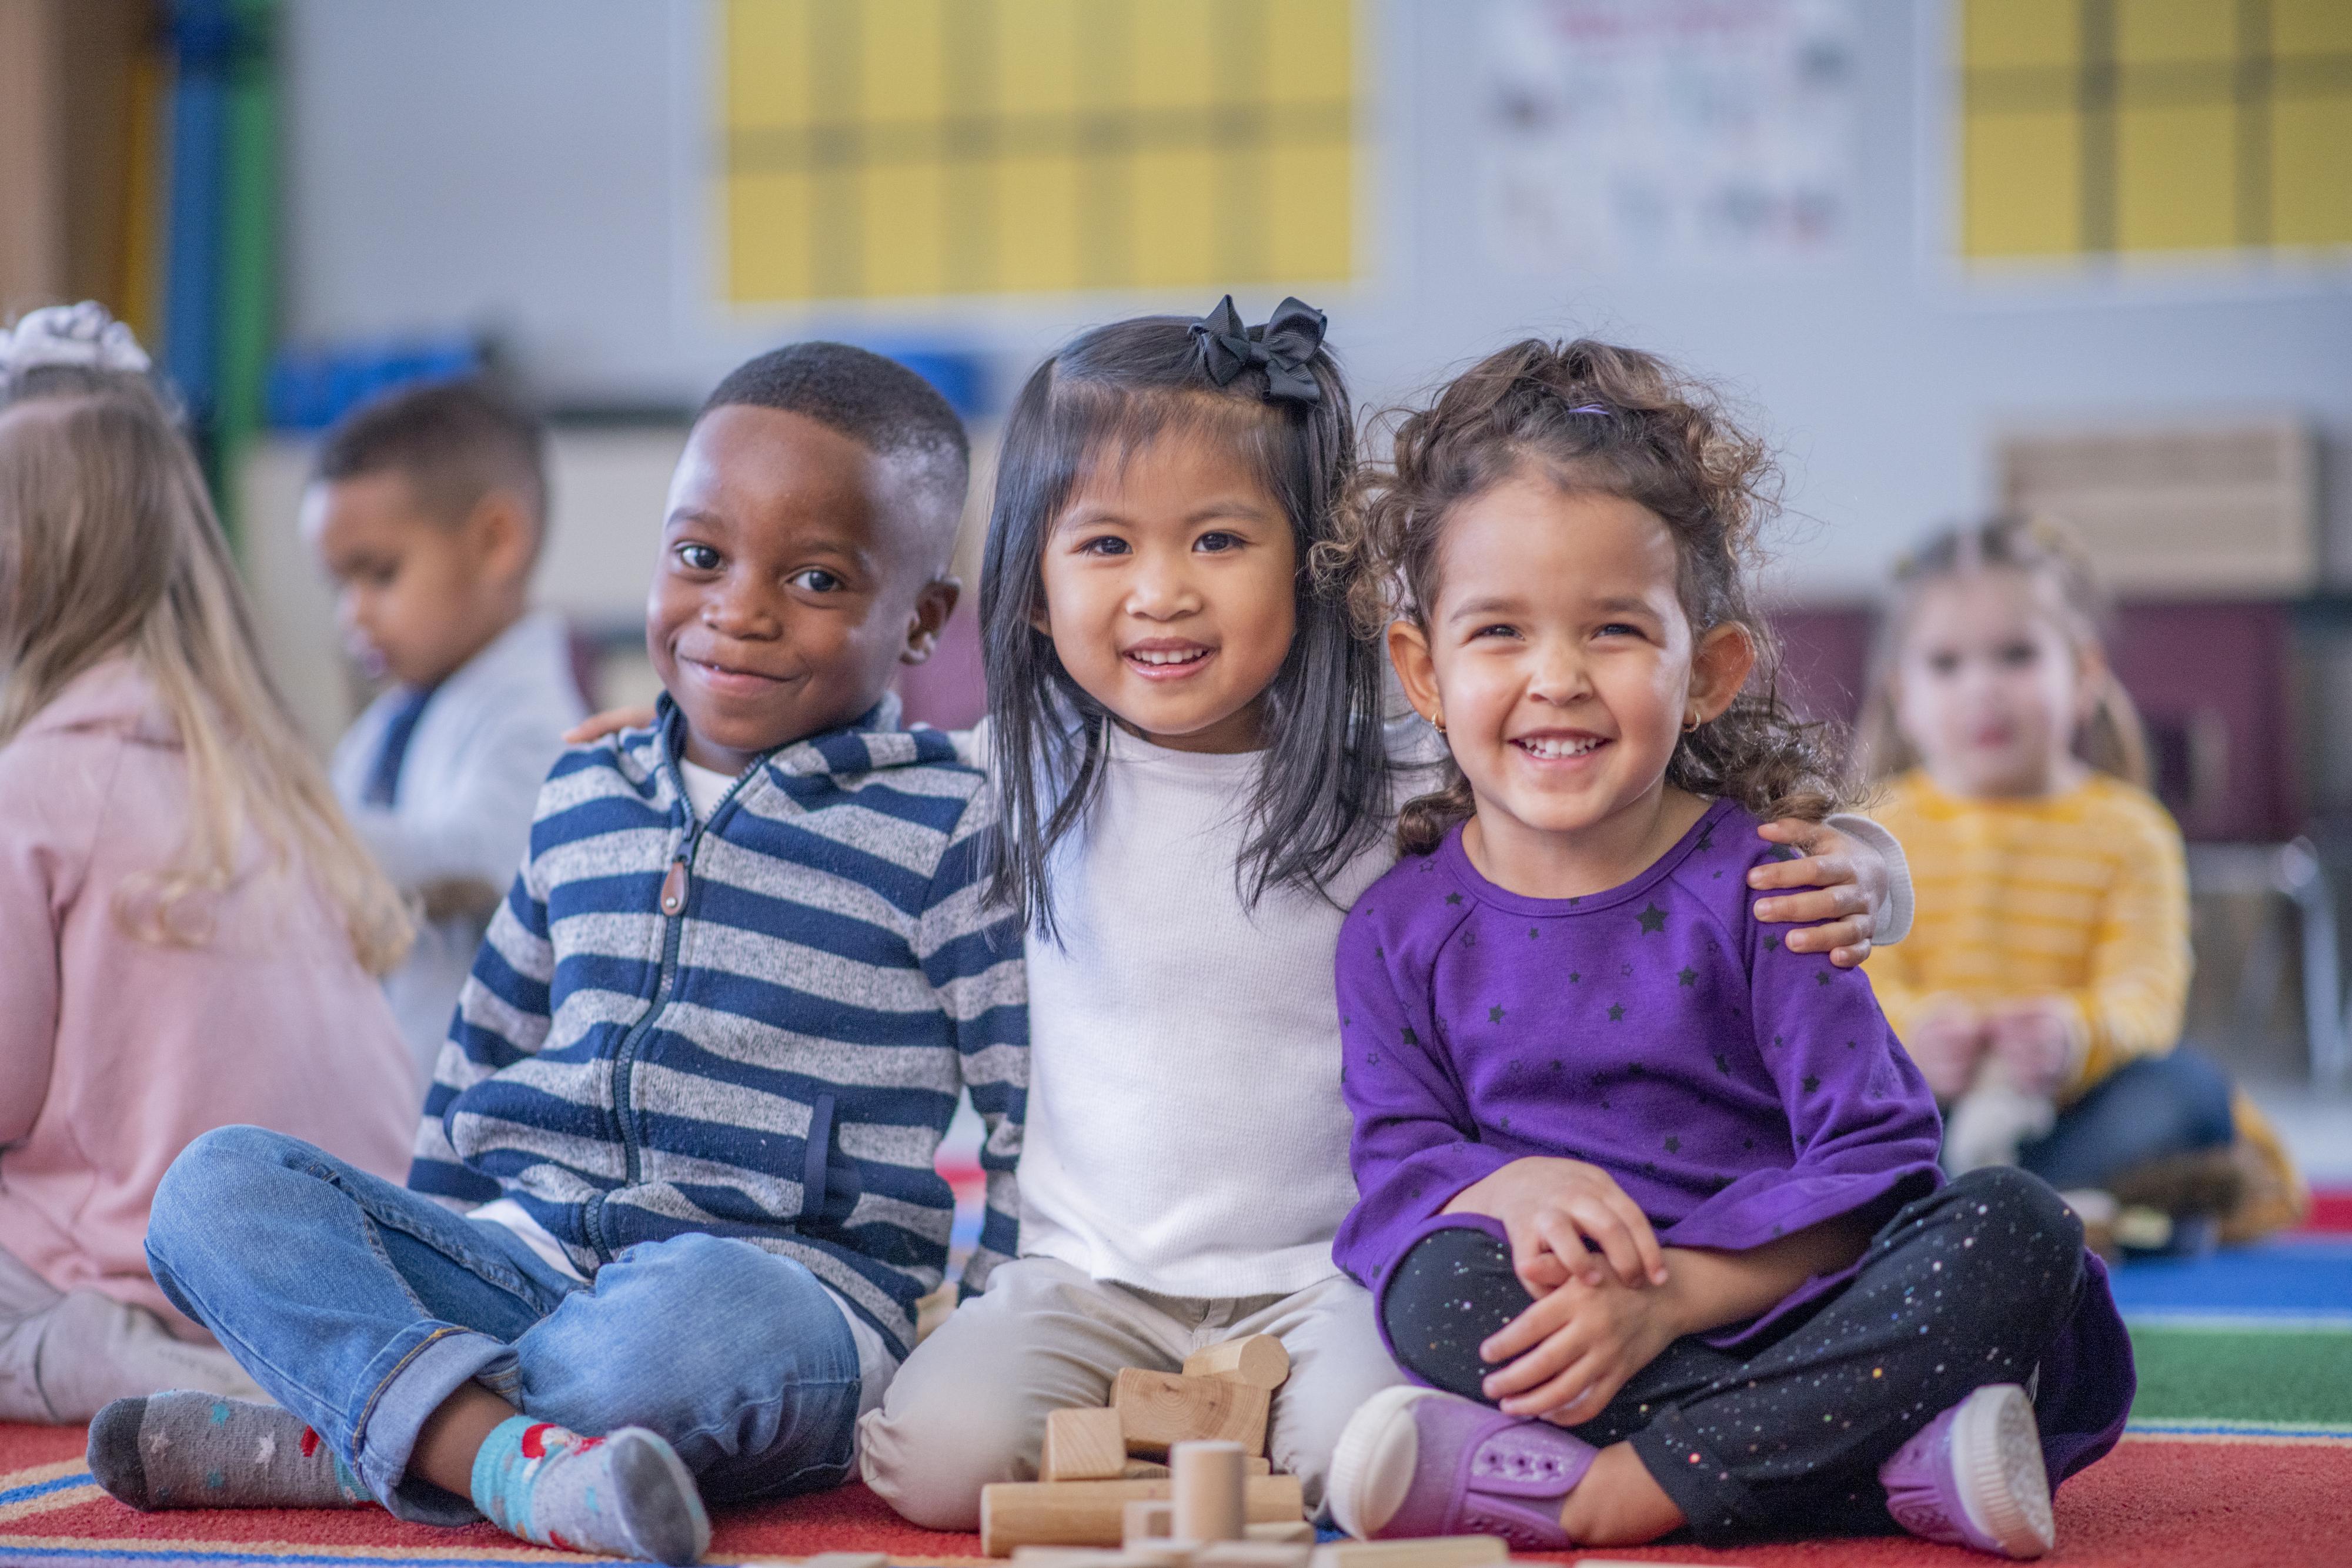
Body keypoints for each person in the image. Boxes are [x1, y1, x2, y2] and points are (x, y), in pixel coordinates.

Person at [854, 299, 1916, 1527]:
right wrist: (687, 749)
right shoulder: (1020, 769)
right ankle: (1174, 1433)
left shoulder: (1409, 760)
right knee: (932, 1463)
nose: (1161, 594)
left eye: (1214, 540)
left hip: (1339, 1271)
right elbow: (841, 778)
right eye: (1103, 548)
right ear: (1032, 589)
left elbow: (1661, 798)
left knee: (1372, 1462)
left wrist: (1863, 866)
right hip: (1084, 1278)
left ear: (1313, 568)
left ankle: (1274, 1445)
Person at [95, 343, 1025, 1566]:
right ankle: (495, 1449)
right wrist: (421, 1249)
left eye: (813, 578)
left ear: (920, 618)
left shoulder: (948, 823)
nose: (737, 609)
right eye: (700, 557)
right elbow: (484, 1048)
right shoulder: (585, 786)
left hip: (782, 1291)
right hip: (527, 1253)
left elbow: (1022, 1100)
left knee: (679, 1334)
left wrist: (996, 1316)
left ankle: (353, 1429)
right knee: (212, 1187)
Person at [1318, 339, 2132, 1559]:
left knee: (2021, 1228)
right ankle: (1886, 1466)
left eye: (1610, 631)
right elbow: (1397, 1167)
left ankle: (1615, 1489)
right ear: (1421, 670)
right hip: (1595, 1332)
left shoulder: (1773, 887)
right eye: (1497, 632)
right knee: (1434, 1292)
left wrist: (1677, 1295)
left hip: (1805, 1304)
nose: (1555, 678)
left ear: (1706, 671)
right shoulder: (1393, 929)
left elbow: (1880, 1160)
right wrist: (1502, 1185)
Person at [0, 303, 417, 1423]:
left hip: (153, 1284)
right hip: (357, 1266)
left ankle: (109, 1363)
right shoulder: (267, 770)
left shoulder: (34, 787)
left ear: (19, 564)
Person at [1856, 514, 2304, 1248]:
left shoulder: (2131, 830)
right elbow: (1852, 989)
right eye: (1946, 665)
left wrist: (2073, 1037)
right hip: (1924, 1112)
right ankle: (2072, 1215)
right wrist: (1910, 1039)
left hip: (2073, 1111)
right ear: (1901, 691)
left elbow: (2146, 998)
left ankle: (1985, 1212)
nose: (1983, 690)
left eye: (2016, 656)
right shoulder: (1874, 827)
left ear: (2084, 674)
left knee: (2187, 1092)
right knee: (1828, 1114)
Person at [309, 377, 587, 1087]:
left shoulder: (536, 718)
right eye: (340, 586)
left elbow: (472, 860)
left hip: (470, 1129)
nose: (353, 615)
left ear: (496, 542)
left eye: (380, 574)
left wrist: (283, 820)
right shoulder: (388, 723)